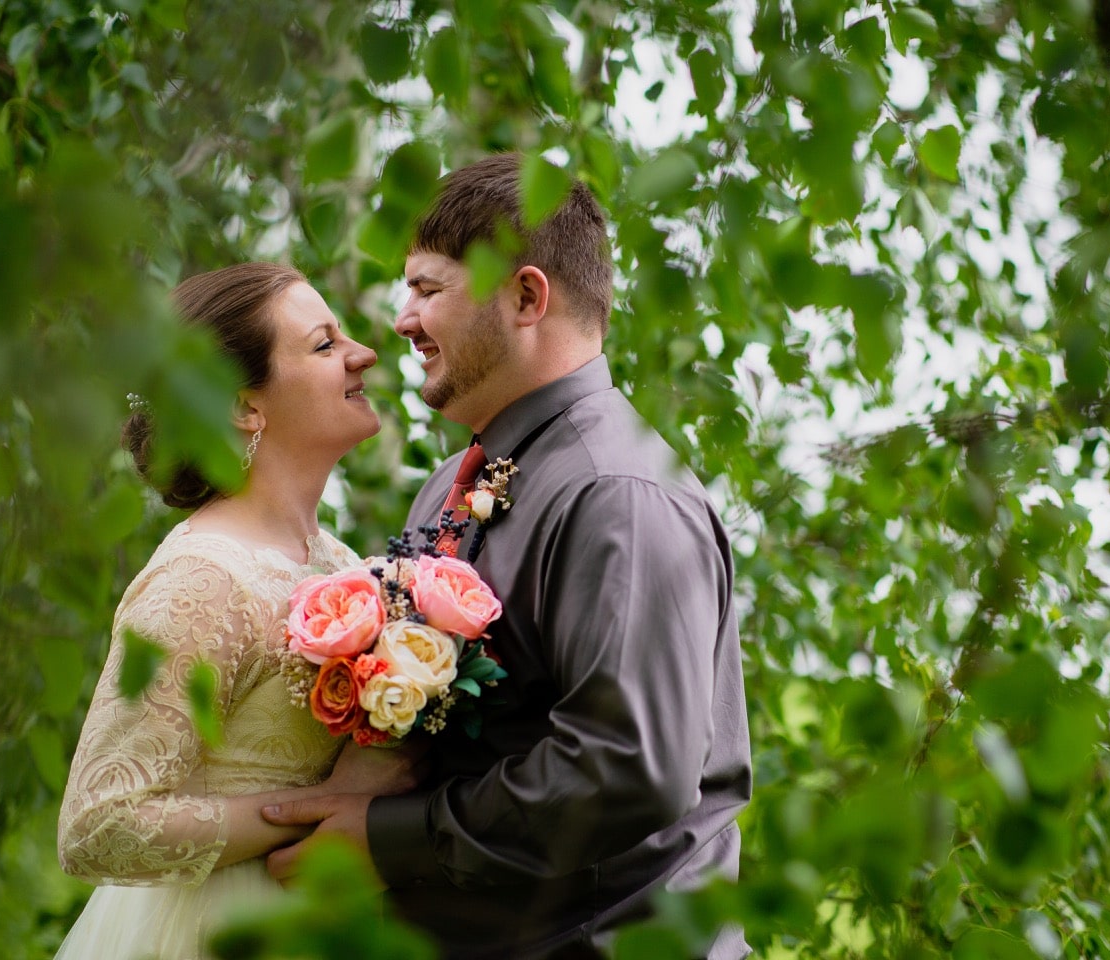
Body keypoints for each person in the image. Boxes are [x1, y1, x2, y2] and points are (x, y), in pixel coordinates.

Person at [263, 154, 753, 958]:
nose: (401, 320)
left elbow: (628, 768)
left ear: (526, 296)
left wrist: (392, 840)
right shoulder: (449, 486)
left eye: (428, 289)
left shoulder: (618, 493)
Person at [54, 262, 422, 960]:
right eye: (324, 344)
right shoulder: (202, 577)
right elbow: (98, 823)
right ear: (244, 406)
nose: (363, 353)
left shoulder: (341, 564)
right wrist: (311, 815)